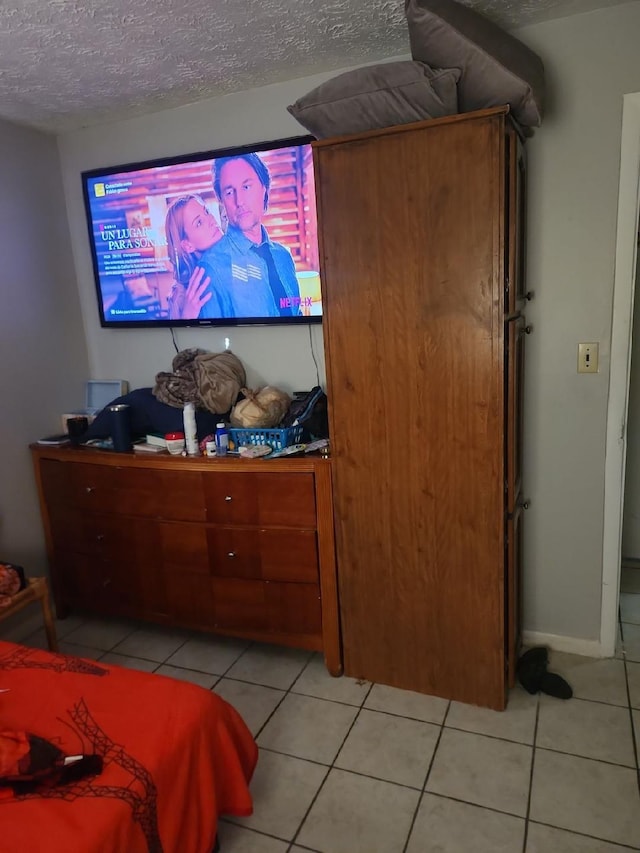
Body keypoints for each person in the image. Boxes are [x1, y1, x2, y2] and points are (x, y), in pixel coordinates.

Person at [198, 153, 301, 319]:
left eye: (246, 187)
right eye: (230, 192)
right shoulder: (211, 267)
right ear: (221, 200)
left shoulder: (284, 256)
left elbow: (297, 314)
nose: (239, 201)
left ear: (263, 188)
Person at [164, 194, 232, 320]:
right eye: (199, 222)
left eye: (206, 212)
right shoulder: (181, 297)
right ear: (188, 245)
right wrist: (187, 317)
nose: (211, 220)